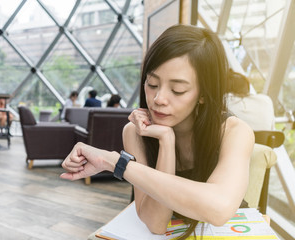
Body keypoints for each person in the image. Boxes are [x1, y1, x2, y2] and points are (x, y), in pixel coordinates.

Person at [61, 24, 254, 239]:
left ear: (203, 94)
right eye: (152, 84)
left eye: (177, 90)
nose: (158, 99)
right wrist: (166, 141)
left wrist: (114, 162)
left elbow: (218, 210)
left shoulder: (234, 132)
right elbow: (156, 223)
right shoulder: (134, 132)